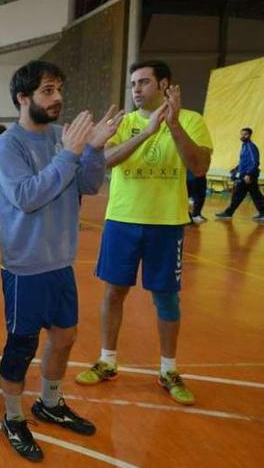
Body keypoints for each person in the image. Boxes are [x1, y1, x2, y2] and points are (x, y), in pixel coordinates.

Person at [0, 61, 122, 461]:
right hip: (25, 266)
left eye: (59, 89)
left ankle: (49, 401)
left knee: (64, 337)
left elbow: (89, 183)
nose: (58, 98)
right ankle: (13, 416)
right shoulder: (6, 146)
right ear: (23, 98)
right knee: (22, 345)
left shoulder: (61, 137)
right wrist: (70, 154)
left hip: (60, 262)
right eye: (48, 90)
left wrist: (94, 148)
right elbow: (27, 197)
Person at [76, 60, 213, 407]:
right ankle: (107, 360)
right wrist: (148, 132)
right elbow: (105, 161)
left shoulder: (193, 120)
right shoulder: (125, 123)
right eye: (133, 84)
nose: (136, 90)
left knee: (166, 297)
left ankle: (169, 369)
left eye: (144, 83)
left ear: (165, 85)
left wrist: (174, 124)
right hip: (122, 219)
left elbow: (198, 166)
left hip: (166, 223)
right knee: (114, 292)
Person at [215, 127, 264, 221]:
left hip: (248, 176)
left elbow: (254, 162)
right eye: (241, 134)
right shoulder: (244, 146)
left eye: (245, 134)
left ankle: (228, 213)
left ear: (249, 135)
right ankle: (229, 212)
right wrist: (236, 168)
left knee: (245, 194)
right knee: (249, 194)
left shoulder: (250, 146)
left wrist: (248, 174)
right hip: (245, 175)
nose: (242, 136)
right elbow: (244, 161)